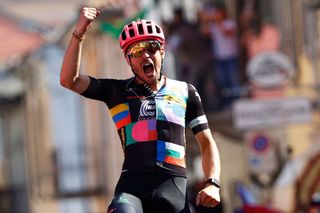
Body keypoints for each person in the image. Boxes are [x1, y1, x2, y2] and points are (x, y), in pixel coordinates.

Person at [60, 7, 221, 213]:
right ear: (128, 60)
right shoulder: (117, 92)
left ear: (162, 52)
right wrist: (78, 33)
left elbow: (207, 143)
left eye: (152, 48)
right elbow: (68, 80)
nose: (145, 55)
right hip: (132, 187)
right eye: (136, 52)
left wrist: (212, 183)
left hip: (172, 188)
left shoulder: (185, 92)